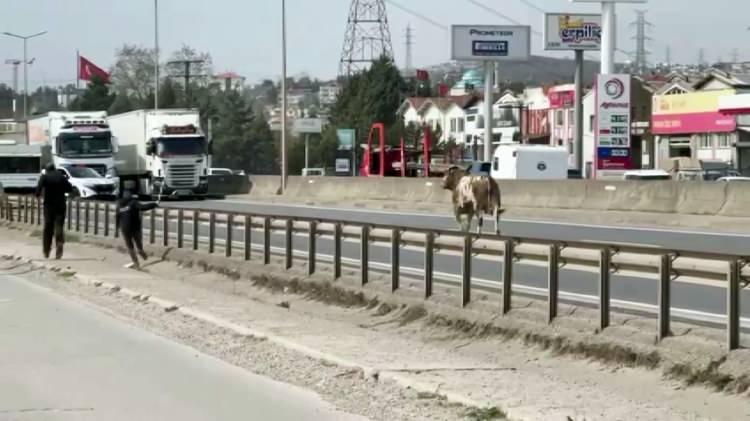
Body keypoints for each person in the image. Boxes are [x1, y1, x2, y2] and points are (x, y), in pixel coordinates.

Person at [35, 163, 73, 259]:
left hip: (48, 205)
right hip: (60, 205)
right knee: (59, 225)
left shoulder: (45, 177)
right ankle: (59, 241)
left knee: (48, 227)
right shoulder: (61, 177)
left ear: (47, 170)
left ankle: (46, 250)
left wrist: (38, 194)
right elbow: (70, 188)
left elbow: (38, 190)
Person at [117, 187, 158, 269]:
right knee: (138, 241)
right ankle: (140, 250)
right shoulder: (133, 203)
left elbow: (118, 217)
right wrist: (154, 204)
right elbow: (143, 207)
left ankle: (136, 263)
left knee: (130, 246)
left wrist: (118, 227)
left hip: (125, 228)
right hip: (135, 227)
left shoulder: (119, 205)